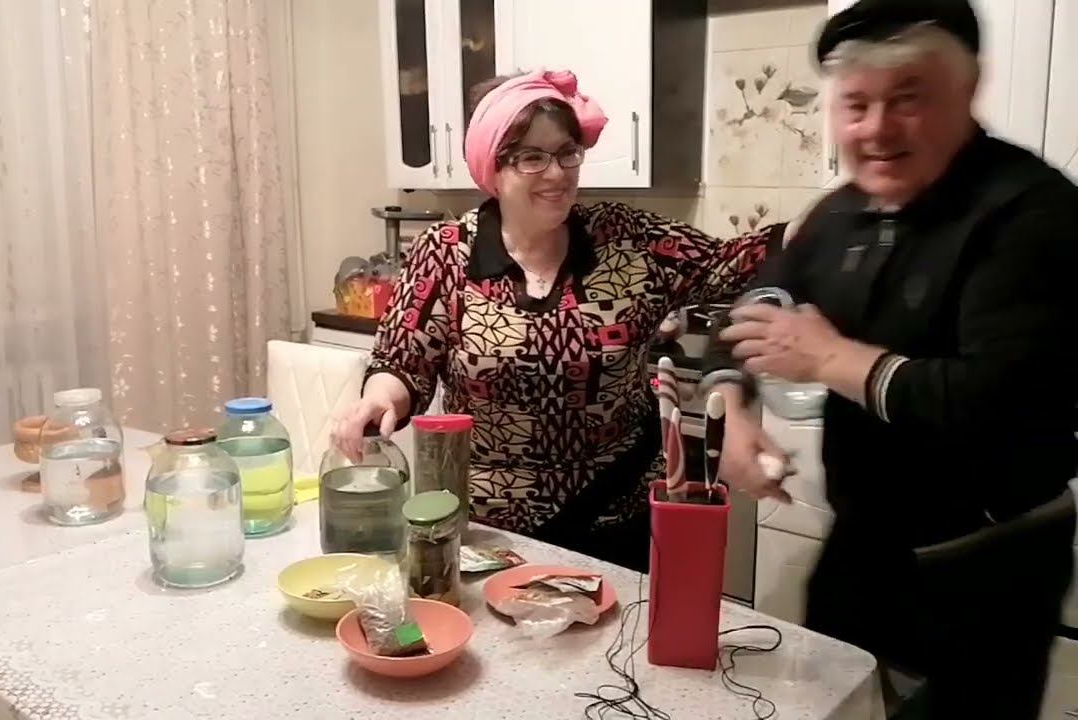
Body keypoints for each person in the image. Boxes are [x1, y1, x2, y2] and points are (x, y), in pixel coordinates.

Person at [704, 0, 1077, 716]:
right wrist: (734, 413)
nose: (876, 129)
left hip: (986, 565)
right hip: (863, 548)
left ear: (967, 90)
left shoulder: (1033, 212)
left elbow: (994, 401)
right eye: (856, 105)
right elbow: (752, 310)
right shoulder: (842, 210)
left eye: (908, 99)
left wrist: (833, 359)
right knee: (832, 704)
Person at [331, 68, 787, 570]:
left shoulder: (628, 239)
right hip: (493, 536)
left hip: (618, 518)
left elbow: (739, 261)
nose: (556, 173)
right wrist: (378, 399)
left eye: (567, 152)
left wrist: (834, 209)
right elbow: (402, 361)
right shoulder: (445, 252)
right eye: (531, 157)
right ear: (492, 168)